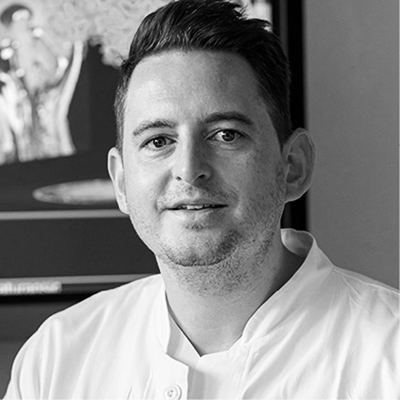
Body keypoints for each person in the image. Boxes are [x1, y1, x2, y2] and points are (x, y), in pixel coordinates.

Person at [5, 0, 399, 398]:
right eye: (158, 141)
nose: (189, 168)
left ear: (293, 166)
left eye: (226, 135)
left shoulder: (390, 356)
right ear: (121, 181)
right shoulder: (56, 360)